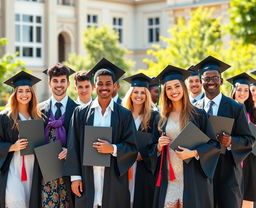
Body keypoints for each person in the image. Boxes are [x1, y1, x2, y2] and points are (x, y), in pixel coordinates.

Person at [64, 58, 138, 208]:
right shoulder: (80, 113)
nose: (104, 87)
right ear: (94, 86)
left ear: (115, 86)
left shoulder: (124, 115)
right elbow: (73, 145)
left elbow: (132, 147)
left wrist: (113, 149)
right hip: (87, 177)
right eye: (100, 83)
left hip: (114, 180)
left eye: (108, 84)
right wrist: (75, 178)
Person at [152, 65, 220, 208]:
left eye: (177, 86)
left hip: (192, 178)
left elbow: (214, 145)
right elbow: (150, 149)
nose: (173, 91)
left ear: (183, 87)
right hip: (168, 178)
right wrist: (158, 146)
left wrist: (194, 152)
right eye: (169, 88)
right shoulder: (160, 117)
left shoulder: (198, 114)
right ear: (164, 92)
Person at [193, 56, 255, 208]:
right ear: (202, 81)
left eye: (215, 78)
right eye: (207, 78)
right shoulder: (195, 108)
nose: (211, 82)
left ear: (221, 80)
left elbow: (249, 139)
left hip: (228, 172)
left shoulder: (235, 107)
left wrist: (231, 141)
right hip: (202, 172)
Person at [0, 71, 42, 208]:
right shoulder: (5, 118)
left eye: (27, 91)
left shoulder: (39, 118)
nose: (24, 95)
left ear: (32, 93)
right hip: (13, 169)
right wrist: (12, 147)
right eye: (20, 91)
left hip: (33, 170)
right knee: (15, 202)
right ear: (15, 94)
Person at [40, 63, 78, 208]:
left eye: (62, 81)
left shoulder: (77, 110)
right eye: (55, 81)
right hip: (45, 175)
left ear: (68, 83)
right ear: (49, 83)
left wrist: (71, 151)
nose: (59, 85)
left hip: (68, 173)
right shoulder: (39, 110)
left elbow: (82, 142)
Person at [122, 73, 159, 208]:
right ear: (130, 94)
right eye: (136, 92)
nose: (139, 95)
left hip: (144, 168)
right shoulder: (122, 115)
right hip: (124, 166)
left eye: (143, 92)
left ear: (147, 95)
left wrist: (142, 155)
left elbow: (156, 144)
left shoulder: (154, 117)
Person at [227, 73, 256, 208]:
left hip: (249, 161)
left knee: (247, 198)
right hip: (231, 160)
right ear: (233, 90)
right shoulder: (226, 110)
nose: (243, 93)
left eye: (246, 90)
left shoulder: (252, 113)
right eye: (239, 90)